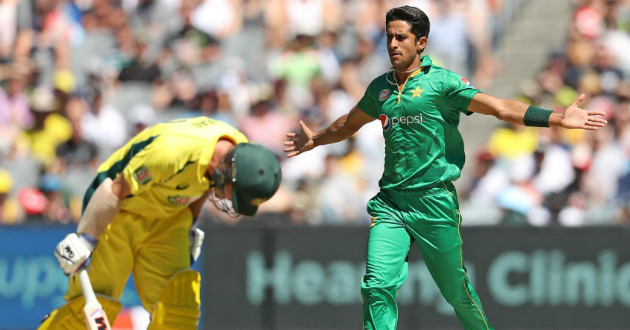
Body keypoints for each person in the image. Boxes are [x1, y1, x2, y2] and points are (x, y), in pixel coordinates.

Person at [284, 6, 607, 330]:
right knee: (376, 286)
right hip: (392, 204)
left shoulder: (443, 83)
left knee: (457, 293)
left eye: (401, 37)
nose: (393, 44)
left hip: (434, 202)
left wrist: (556, 118)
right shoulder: (380, 88)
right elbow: (348, 124)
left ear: (421, 43)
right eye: (389, 37)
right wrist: (318, 139)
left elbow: (500, 107)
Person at [40, 116, 282, 329]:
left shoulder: (234, 149)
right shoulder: (173, 151)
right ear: (229, 169)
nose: (228, 198)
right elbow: (115, 190)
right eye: (233, 192)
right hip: (120, 211)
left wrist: (191, 224)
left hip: (169, 217)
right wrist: (86, 239)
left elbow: (202, 185)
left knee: (178, 308)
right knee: (91, 306)